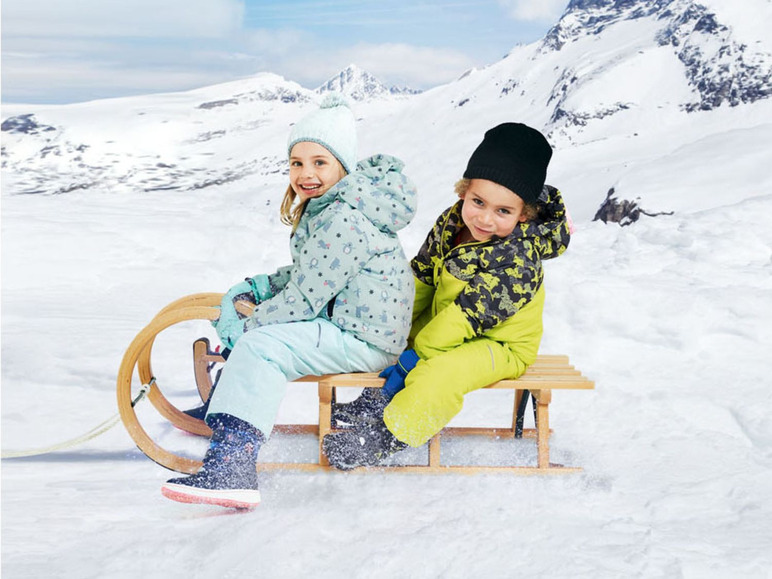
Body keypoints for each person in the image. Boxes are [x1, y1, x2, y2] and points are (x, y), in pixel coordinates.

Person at [161, 93, 417, 508]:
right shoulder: (331, 207)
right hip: (348, 326)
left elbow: (303, 298)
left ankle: (233, 465)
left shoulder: (344, 218)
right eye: (297, 163)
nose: (306, 173)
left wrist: (246, 326)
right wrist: (261, 287)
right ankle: (225, 415)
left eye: (320, 162)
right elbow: (310, 272)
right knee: (260, 337)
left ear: (343, 166)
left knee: (261, 345)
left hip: (364, 340)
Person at [323, 122, 571, 469]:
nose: (485, 219)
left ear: (524, 214)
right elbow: (422, 275)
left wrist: (417, 354)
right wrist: (391, 321)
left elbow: (467, 316)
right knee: (394, 338)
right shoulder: (452, 222)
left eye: (503, 211)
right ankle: (376, 400)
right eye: (478, 202)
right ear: (464, 191)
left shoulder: (519, 258)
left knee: (441, 372)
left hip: (498, 343)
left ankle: (386, 436)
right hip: (448, 322)